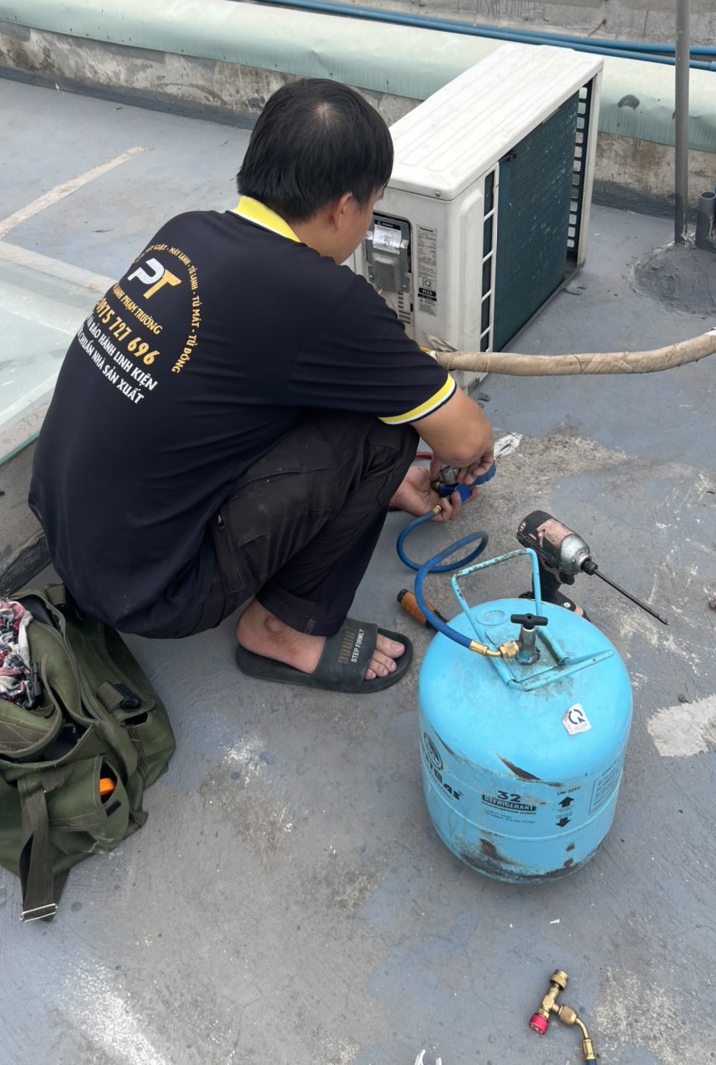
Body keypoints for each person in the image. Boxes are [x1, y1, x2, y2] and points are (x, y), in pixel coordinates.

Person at [29, 79, 495, 693]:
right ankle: (282, 628)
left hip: (71, 536)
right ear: (343, 208)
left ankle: (351, 500)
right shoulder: (324, 298)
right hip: (156, 592)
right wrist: (449, 458)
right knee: (382, 429)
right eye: (372, 207)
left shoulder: (186, 232)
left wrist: (371, 489)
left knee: (308, 391)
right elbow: (464, 440)